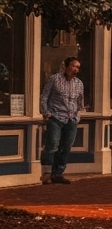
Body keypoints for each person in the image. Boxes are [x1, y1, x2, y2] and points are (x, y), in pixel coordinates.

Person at [40, 57, 84, 185]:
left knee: (66, 147)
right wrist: (46, 112)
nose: (76, 69)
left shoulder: (79, 83)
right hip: (56, 116)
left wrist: (78, 115)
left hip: (71, 119)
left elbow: (80, 101)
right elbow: (45, 96)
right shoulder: (54, 79)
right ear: (66, 66)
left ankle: (58, 173)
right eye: (74, 66)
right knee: (52, 145)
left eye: (78, 67)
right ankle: (46, 174)